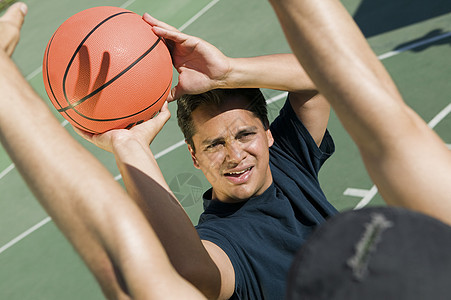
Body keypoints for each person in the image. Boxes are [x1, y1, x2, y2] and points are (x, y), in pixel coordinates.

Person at [76, 12, 338, 300]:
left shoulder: (287, 162)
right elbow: (195, 275)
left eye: (245, 135)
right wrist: (130, 146)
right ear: (194, 156)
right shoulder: (221, 239)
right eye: (214, 145)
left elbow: (320, 76)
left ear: (267, 133)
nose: (235, 155)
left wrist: (227, 72)